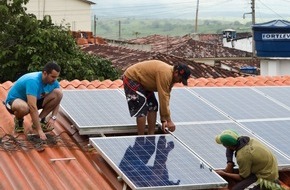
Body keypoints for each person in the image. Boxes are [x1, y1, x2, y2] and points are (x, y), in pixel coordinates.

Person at [123, 60, 191, 135]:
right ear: (176, 73)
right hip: (132, 78)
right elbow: (163, 97)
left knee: (153, 105)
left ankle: (151, 136)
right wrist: (169, 121)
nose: (180, 82)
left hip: (144, 83)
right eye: (180, 79)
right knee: (141, 109)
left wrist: (164, 120)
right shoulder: (165, 73)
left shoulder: (172, 79)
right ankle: (140, 137)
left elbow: (166, 97)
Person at [5, 61, 63, 140]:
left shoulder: (54, 82)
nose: (55, 80)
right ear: (45, 73)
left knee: (58, 93)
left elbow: (58, 100)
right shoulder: (33, 81)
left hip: (33, 100)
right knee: (24, 108)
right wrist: (40, 131)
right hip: (14, 101)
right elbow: (32, 107)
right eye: (53, 77)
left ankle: (38, 121)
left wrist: (53, 118)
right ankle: (19, 120)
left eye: (56, 77)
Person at [215, 129, 280, 190]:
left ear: (227, 146)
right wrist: (230, 162)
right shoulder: (248, 140)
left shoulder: (243, 155)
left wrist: (224, 174)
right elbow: (230, 147)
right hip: (269, 170)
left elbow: (242, 177)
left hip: (265, 178)